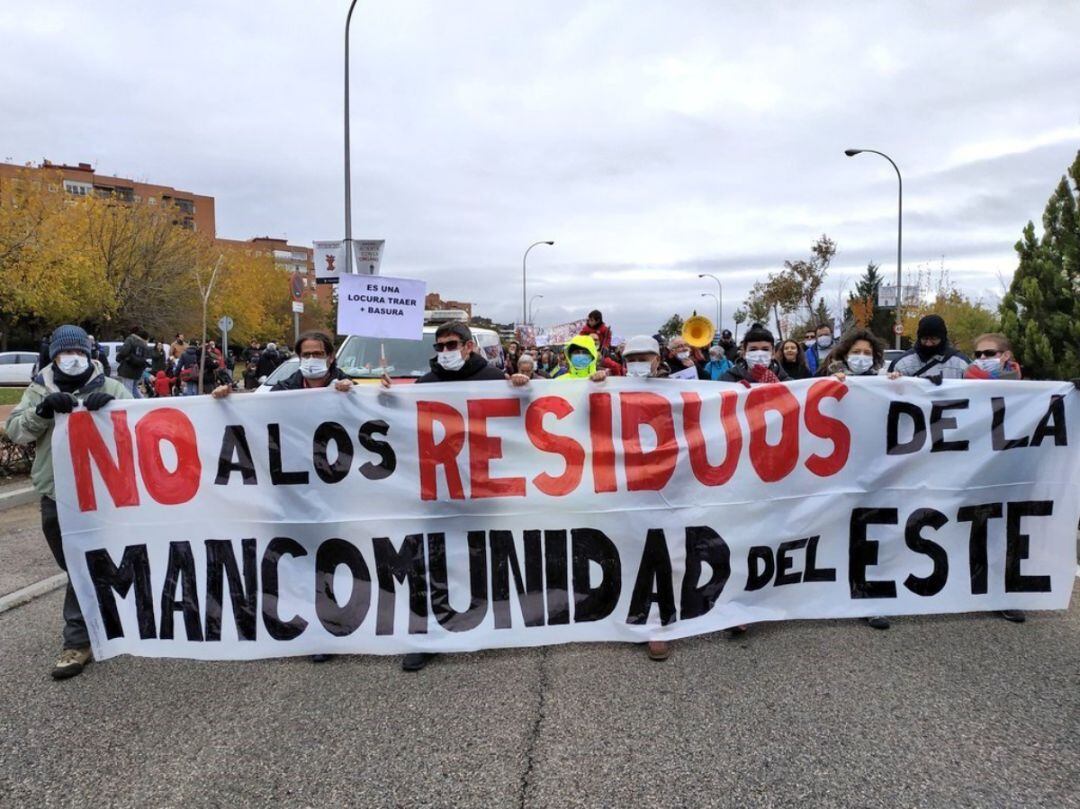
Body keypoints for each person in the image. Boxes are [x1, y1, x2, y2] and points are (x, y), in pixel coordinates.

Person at [215, 331, 354, 661]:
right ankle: (307, 628)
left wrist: (355, 396)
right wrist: (227, 397)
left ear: (331, 357)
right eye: (306, 354)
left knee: (332, 557)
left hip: (336, 490)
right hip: (292, 490)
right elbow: (252, 414)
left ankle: (332, 625)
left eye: (318, 353)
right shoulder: (284, 390)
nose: (312, 360)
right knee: (299, 559)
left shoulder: (348, 388)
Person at [379, 322, 509, 671]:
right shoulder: (425, 384)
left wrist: (524, 389)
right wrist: (386, 397)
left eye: (451, 345)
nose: (445, 352)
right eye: (439, 347)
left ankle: (483, 625)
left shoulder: (494, 380)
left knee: (482, 554)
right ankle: (431, 634)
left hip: (483, 487)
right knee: (433, 559)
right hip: (438, 487)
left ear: (469, 346)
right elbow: (403, 426)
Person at [4, 325, 131, 679]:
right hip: (57, 495)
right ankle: (104, 615)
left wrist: (115, 410)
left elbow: (141, 428)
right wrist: (42, 411)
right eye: (65, 353)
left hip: (103, 497)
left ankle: (77, 642)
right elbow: (16, 432)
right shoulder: (38, 390)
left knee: (81, 564)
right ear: (54, 355)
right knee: (74, 564)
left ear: (89, 355)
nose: (72, 359)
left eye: (78, 352)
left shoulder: (112, 388)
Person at [964, 333, 1026, 624]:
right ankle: (976, 587)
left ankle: (1007, 595)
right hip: (975, 471)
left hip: (1014, 471)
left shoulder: (1030, 389)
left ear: (1006, 355)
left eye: (988, 353)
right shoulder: (962, 385)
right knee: (978, 529)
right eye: (977, 355)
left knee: (1009, 532)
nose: (982, 360)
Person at [889, 314, 970, 380]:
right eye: (924, 339)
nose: (928, 343)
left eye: (933, 339)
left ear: (942, 338)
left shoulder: (961, 364)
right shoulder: (901, 364)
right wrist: (894, 380)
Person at [721, 323, 791, 384]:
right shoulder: (727, 379)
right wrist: (735, 391)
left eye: (765, 349)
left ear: (773, 353)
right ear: (744, 353)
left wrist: (779, 388)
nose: (759, 354)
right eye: (753, 349)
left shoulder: (787, 381)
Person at [114, 325, 149, 398]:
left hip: (128, 368)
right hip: (138, 369)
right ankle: (142, 402)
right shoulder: (144, 344)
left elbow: (124, 351)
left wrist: (119, 358)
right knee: (134, 389)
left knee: (127, 390)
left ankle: (130, 406)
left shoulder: (130, 339)